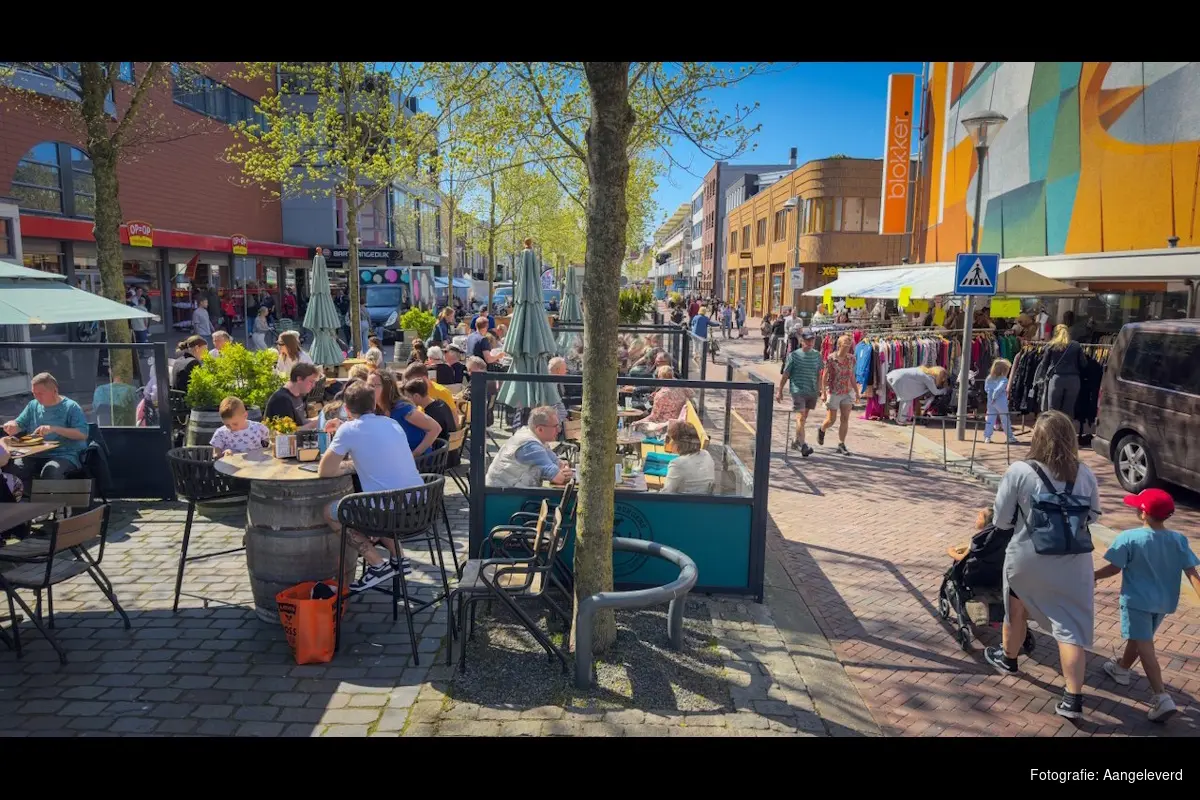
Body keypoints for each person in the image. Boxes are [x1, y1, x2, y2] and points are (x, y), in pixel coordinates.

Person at [984, 410, 1101, 720]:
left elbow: (1001, 520)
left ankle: (1009, 658)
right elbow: (1091, 516)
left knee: (1016, 605)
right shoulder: (1085, 474)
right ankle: (1072, 699)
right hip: (1073, 562)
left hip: (1028, 556)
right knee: (1070, 626)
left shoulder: (1020, 471)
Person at [1094, 488, 1200, 722]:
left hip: (1136, 601)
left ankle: (1161, 697)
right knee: (1139, 638)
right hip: (1163, 603)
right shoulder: (1178, 540)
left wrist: (1093, 576)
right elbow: (1192, 573)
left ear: (1143, 513)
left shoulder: (1129, 538)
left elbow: (1113, 568)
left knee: (1145, 646)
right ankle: (1122, 669)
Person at [318, 382, 424, 592]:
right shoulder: (392, 423)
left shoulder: (348, 430)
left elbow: (325, 470)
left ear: (346, 408)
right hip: (419, 506)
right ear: (374, 404)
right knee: (378, 501)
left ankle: (377, 564)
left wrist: (348, 464)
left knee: (330, 511)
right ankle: (399, 558)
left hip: (389, 510)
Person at [2, 372, 90, 482]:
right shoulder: (33, 405)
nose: (37, 397)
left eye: (41, 393)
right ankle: (24, 493)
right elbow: (19, 424)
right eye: (34, 393)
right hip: (34, 454)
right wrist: (12, 425)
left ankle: (50, 494)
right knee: (15, 468)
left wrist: (54, 429)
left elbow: (83, 434)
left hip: (64, 454)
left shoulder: (71, 407)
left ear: (54, 391)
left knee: (51, 471)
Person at [485, 406, 574, 488]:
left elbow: (560, 464)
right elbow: (559, 478)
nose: (559, 430)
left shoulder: (535, 438)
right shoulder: (530, 445)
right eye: (555, 426)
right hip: (500, 496)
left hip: (510, 492)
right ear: (540, 429)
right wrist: (564, 472)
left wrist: (564, 469)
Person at [368, 370, 440, 456]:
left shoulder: (403, 408)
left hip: (419, 460)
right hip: (396, 457)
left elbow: (435, 428)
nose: (369, 389)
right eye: (368, 386)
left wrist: (415, 454)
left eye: (373, 385)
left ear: (388, 388)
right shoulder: (375, 410)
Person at [777, 329, 821, 457]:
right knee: (801, 417)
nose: (810, 342)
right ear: (802, 341)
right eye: (807, 340)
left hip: (811, 390)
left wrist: (820, 390)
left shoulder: (817, 355)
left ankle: (796, 441)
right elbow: (786, 374)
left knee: (803, 418)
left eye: (812, 340)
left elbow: (819, 374)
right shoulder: (794, 355)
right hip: (798, 390)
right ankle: (803, 445)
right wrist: (780, 390)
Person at [817, 334, 857, 455]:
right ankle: (822, 429)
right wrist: (823, 393)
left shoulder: (851, 359)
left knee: (845, 418)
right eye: (846, 342)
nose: (848, 343)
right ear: (839, 344)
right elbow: (824, 376)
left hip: (847, 392)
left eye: (849, 342)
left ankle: (841, 444)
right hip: (834, 391)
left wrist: (857, 392)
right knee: (831, 420)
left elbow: (852, 376)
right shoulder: (831, 358)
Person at [1037, 324, 1087, 416]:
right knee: (1069, 409)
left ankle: (1053, 425)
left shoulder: (1051, 345)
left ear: (1055, 333)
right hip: (1073, 380)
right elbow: (1084, 364)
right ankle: (1066, 425)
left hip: (1056, 379)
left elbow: (1044, 364)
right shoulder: (1076, 345)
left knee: (1053, 410)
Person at [264, 363, 320, 431]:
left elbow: (300, 423)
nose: (313, 385)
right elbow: (286, 432)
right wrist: (312, 425)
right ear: (299, 379)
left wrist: (320, 420)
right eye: (311, 381)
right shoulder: (281, 400)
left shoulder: (299, 394)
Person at [662, 419, 714, 494]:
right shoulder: (706, 454)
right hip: (705, 499)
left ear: (678, 443)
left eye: (670, 439)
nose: (670, 442)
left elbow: (666, 493)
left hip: (685, 500)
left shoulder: (677, 464)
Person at [403, 377, 457, 448]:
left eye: (408, 397)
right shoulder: (441, 403)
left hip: (439, 452)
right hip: (451, 449)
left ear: (416, 396)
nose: (406, 400)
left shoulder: (431, 414)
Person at [984, 358, 1016, 445]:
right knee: (1005, 418)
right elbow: (999, 389)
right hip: (1000, 401)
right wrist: (995, 396)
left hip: (990, 401)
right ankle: (1010, 437)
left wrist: (991, 396)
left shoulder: (989, 378)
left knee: (990, 418)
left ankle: (987, 437)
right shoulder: (1004, 379)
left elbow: (986, 389)